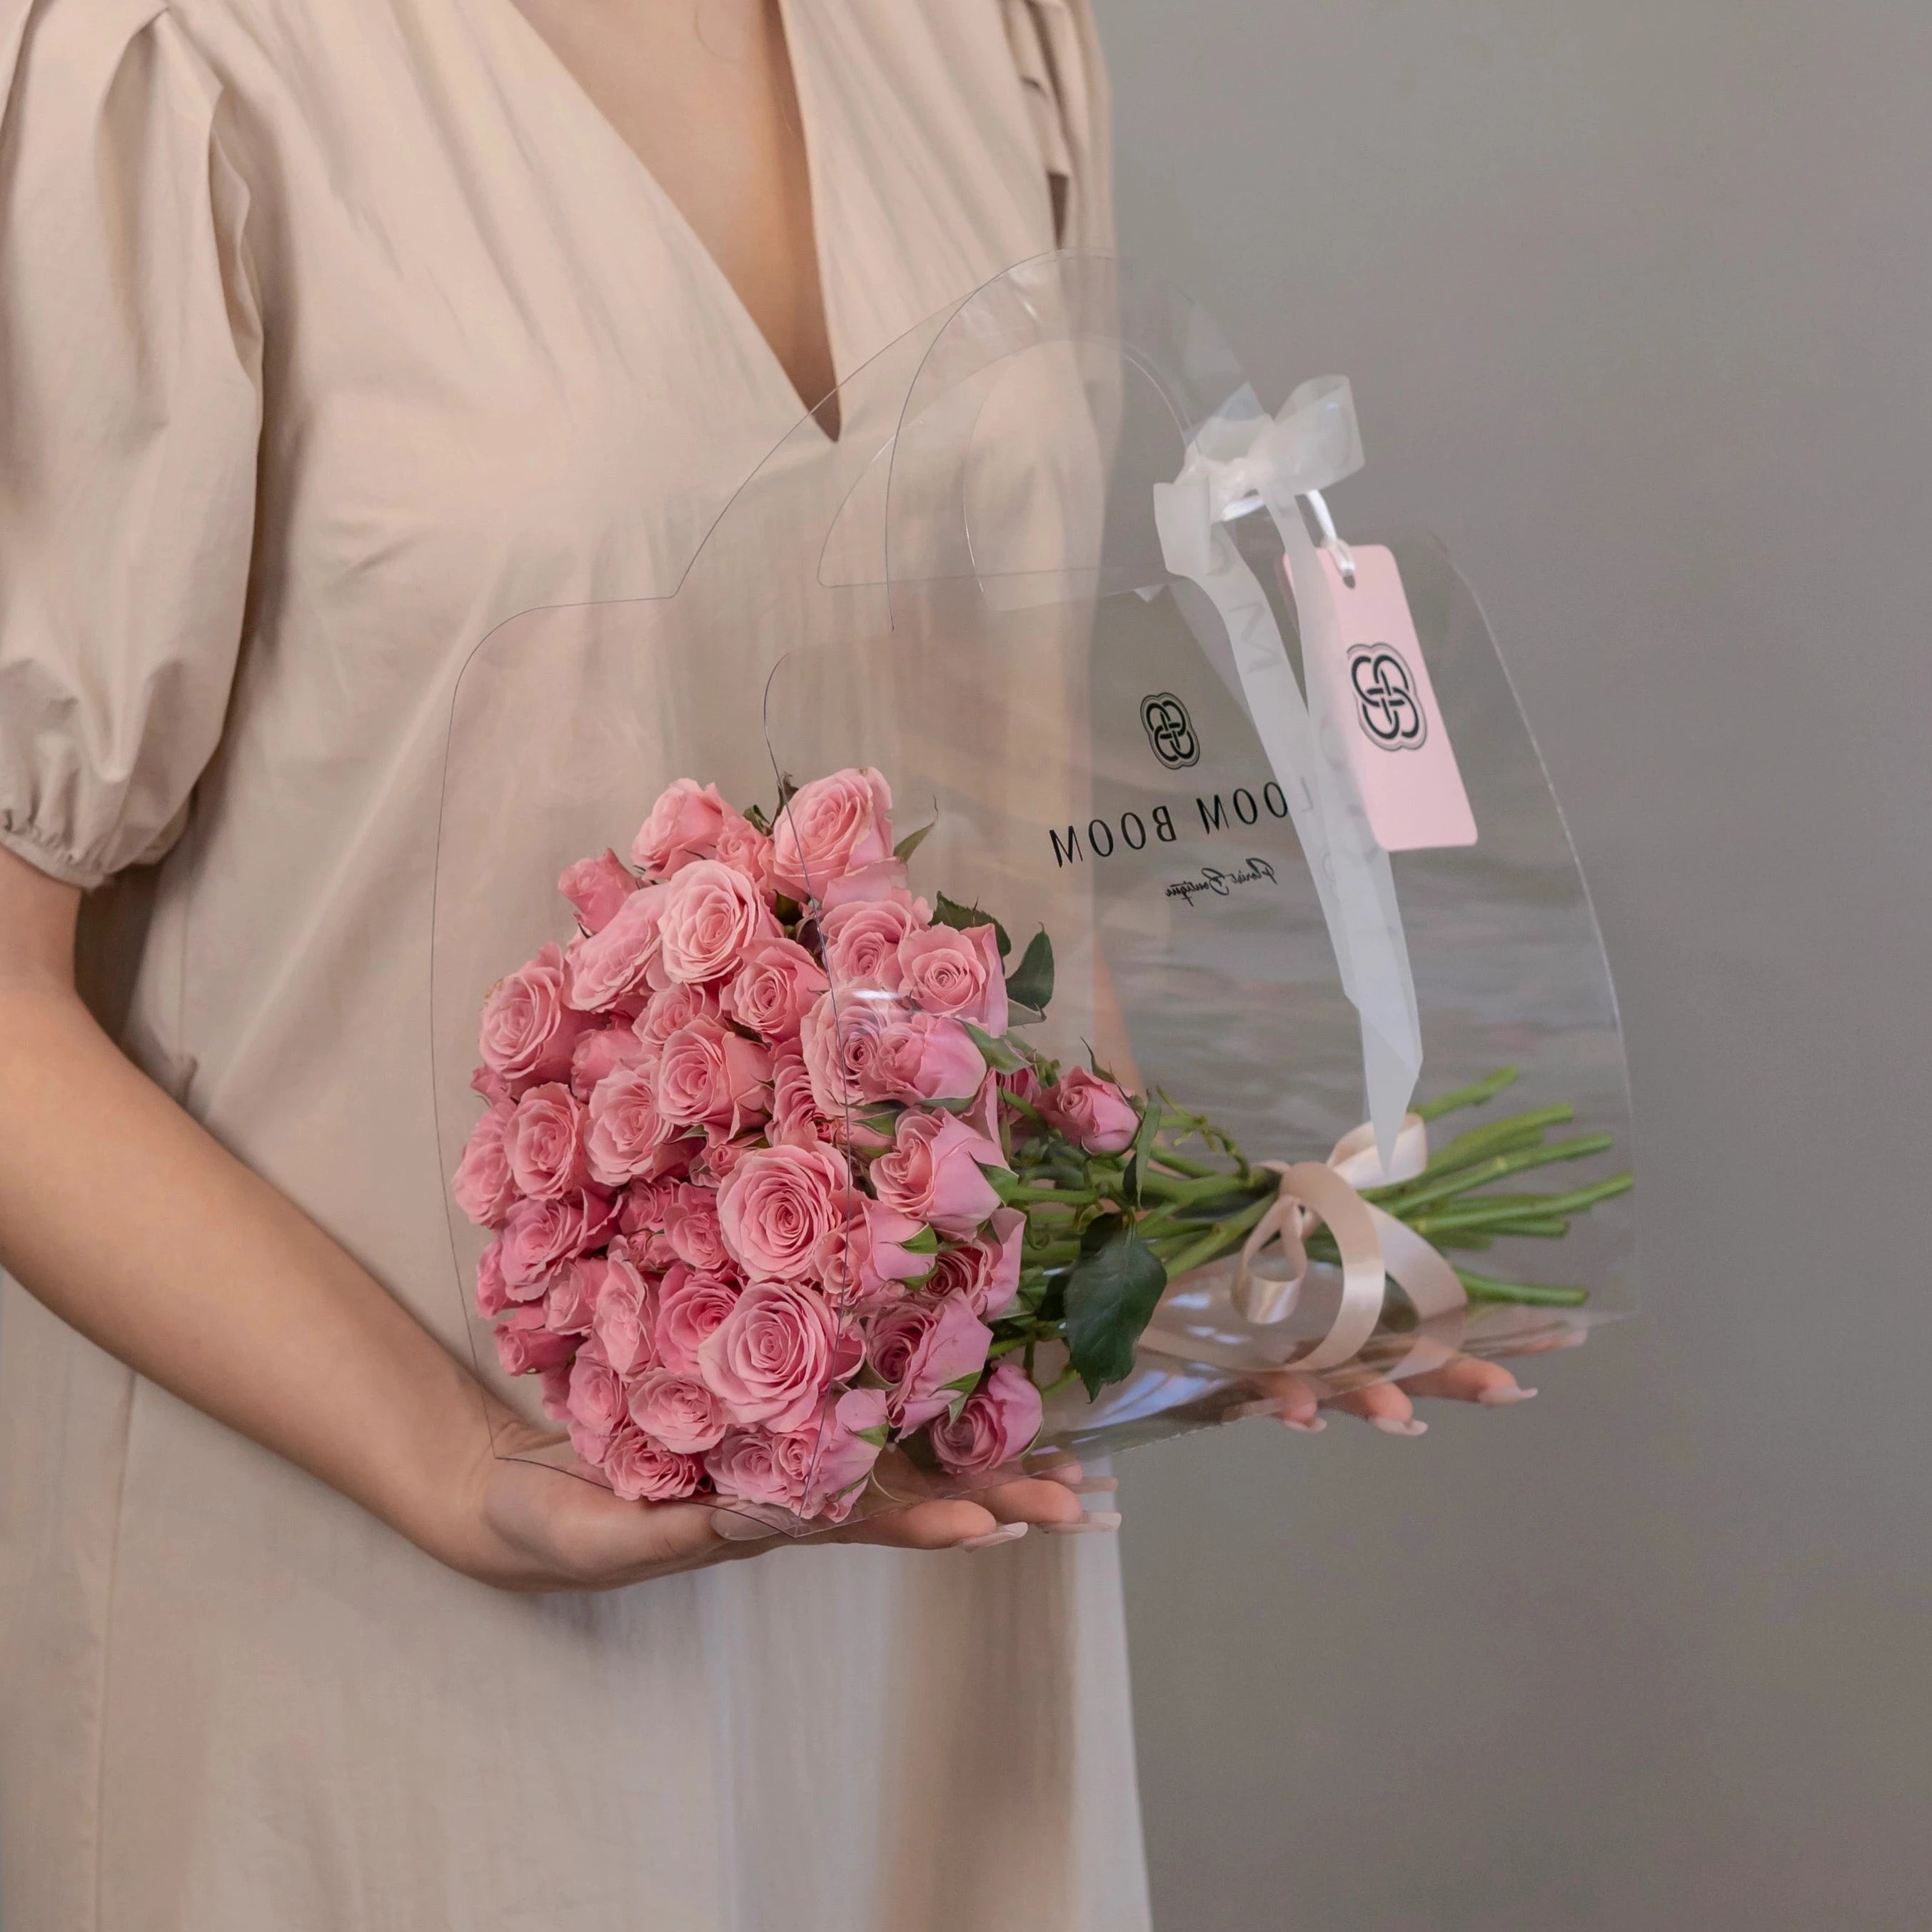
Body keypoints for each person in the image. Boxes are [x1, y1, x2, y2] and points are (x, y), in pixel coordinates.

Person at [0, 2, 1529, 1925]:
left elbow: (1009, 779)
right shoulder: (160, 62)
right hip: (370, 1592)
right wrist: (461, 1464)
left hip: (925, 1562)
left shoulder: (988, 33)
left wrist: (1148, 1261)